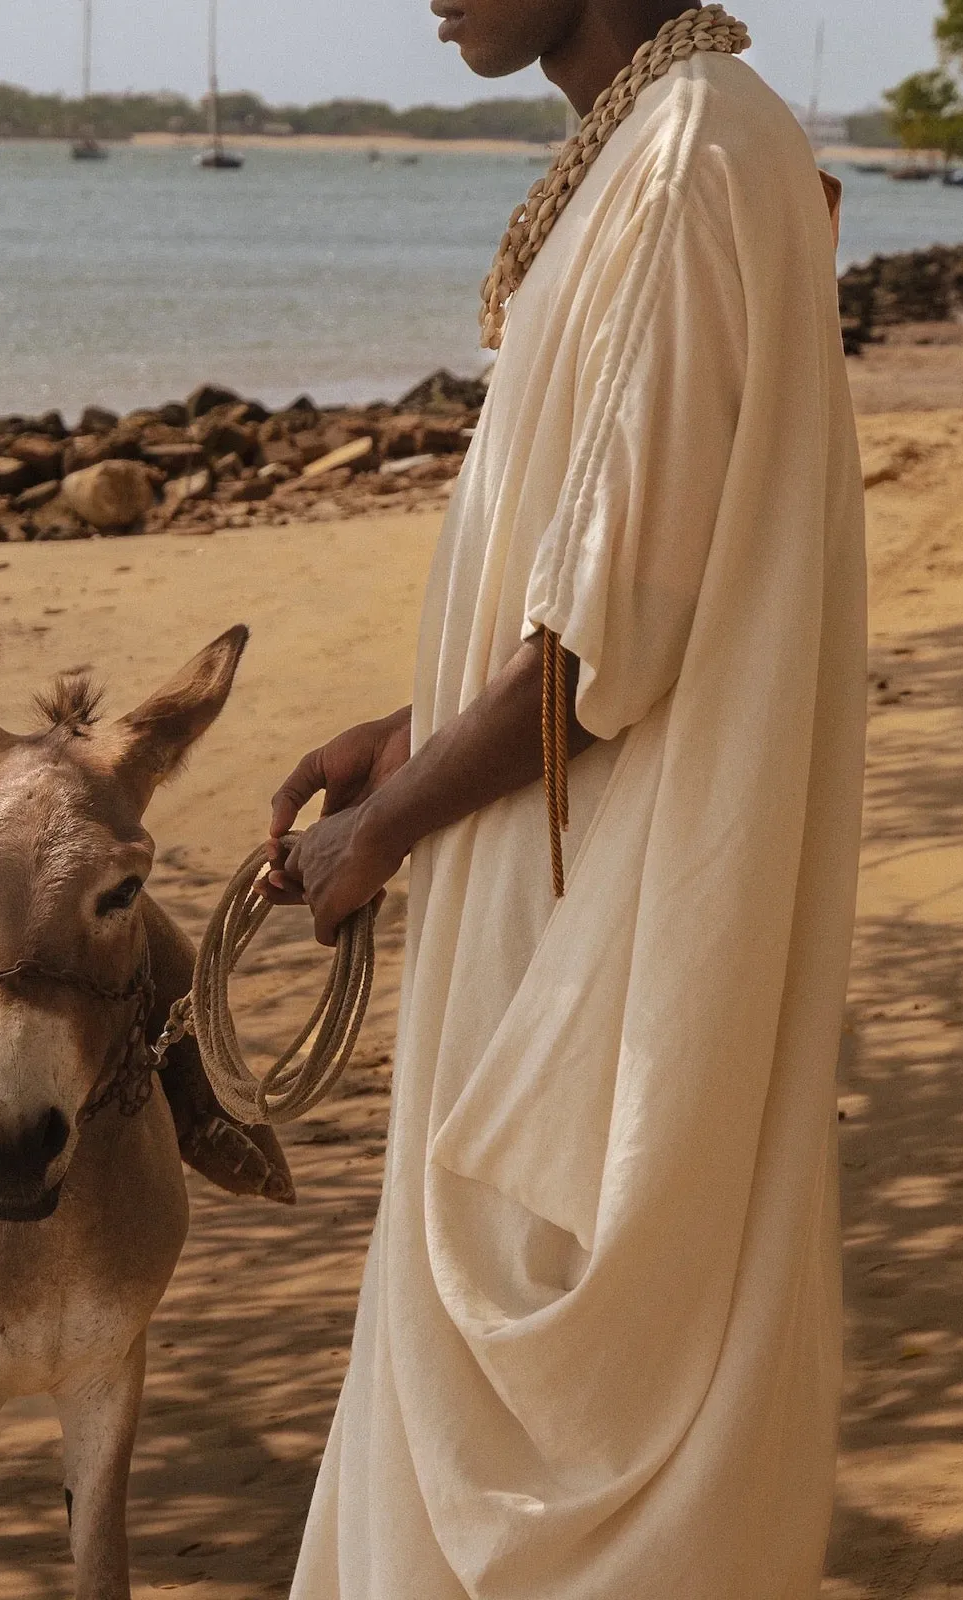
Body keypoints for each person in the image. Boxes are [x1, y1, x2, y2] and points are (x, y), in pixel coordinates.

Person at [266, 3, 867, 1595]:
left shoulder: (685, 156)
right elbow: (602, 583)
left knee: (558, 1377)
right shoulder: (669, 142)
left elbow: (612, 634)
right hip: (554, 850)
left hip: (599, 887)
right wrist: (411, 734)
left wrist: (377, 834)